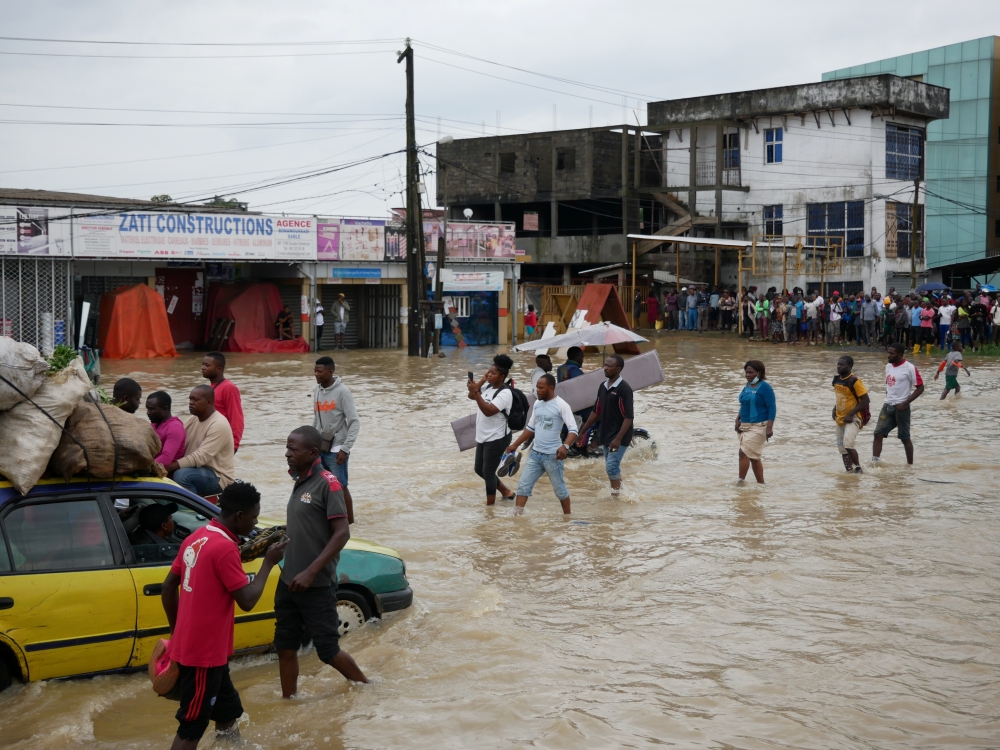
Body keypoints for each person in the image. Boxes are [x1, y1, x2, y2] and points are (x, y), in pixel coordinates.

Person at [160, 482, 288, 749]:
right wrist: (268, 562)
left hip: (207, 652)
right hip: (203, 656)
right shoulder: (225, 549)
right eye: (253, 517)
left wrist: (177, 631)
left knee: (228, 712)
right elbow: (248, 601)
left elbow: (168, 586)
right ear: (239, 516)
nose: (254, 525)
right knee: (191, 726)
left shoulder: (196, 537)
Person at [276, 427, 367, 698]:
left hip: (315, 584)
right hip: (287, 580)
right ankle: (288, 702)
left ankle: (366, 688)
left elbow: (342, 532)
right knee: (285, 647)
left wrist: (310, 572)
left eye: (294, 449)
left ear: (313, 453)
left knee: (327, 651)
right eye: (287, 447)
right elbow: (306, 523)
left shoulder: (328, 483)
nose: (287, 453)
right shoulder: (299, 479)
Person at [504, 374, 578, 515]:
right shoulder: (537, 404)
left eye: (541, 388)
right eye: (537, 387)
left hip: (553, 456)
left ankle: (567, 518)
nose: (537, 390)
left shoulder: (561, 405)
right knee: (523, 487)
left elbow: (573, 429)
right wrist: (514, 445)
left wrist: (565, 446)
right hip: (535, 455)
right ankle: (517, 518)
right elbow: (531, 428)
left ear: (551, 388)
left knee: (560, 490)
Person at [576, 356, 634, 497]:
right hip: (606, 433)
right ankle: (621, 493)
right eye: (605, 365)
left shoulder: (624, 389)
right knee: (611, 468)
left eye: (609, 366)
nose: (605, 368)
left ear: (618, 369)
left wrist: (618, 438)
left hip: (620, 435)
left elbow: (629, 417)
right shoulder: (603, 386)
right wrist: (582, 432)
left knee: (612, 467)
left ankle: (615, 499)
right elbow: (596, 411)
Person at [312, 356, 359, 523]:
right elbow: (316, 420)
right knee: (324, 487)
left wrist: (345, 449)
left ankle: (349, 523)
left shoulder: (343, 392)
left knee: (341, 487)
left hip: (337, 450)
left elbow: (354, 422)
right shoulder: (317, 390)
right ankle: (328, 521)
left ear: (331, 372)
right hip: (320, 449)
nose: (316, 374)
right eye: (315, 370)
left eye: (320, 371)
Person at [167, 385, 235, 497]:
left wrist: (170, 466)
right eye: (190, 399)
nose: (191, 403)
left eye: (195, 400)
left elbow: (200, 457)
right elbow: (176, 441)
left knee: (182, 475)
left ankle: (191, 513)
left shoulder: (219, 424)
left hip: (217, 476)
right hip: (196, 470)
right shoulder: (192, 420)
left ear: (209, 402)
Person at [468, 354, 517, 505]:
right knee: (479, 469)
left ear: (502, 376)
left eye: (493, 373)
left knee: (488, 472)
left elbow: (489, 410)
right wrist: (481, 381)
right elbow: (471, 395)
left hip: (497, 437)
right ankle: (506, 492)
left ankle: (490, 507)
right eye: (488, 372)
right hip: (483, 435)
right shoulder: (487, 386)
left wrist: (476, 391)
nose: (489, 375)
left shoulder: (505, 393)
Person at [872, 342, 925, 465]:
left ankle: (910, 466)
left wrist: (905, 403)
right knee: (878, 433)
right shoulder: (888, 367)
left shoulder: (910, 368)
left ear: (900, 354)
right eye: (888, 352)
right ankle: (874, 462)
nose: (888, 355)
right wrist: (888, 398)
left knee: (904, 437)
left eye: (891, 353)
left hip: (902, 407)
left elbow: (920, 388)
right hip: (887, 406)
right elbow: (890, 386)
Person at [733, 360, 775, 484]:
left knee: (743, 452)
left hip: (759, 426)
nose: (748, 375)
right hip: (745, 426)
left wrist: (769, 427)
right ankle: (761, 485)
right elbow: (744, 404)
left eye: (751, 372)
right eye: (746, 372)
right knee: (754, 457)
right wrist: (737, 418)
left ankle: (740, 482)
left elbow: (772, 407)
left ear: (759, 373)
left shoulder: (765, 387)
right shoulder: (747, 386)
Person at [831, 356, 869, 473]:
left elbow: (866, 400)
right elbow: (840, 397)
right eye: (838, 364)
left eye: (842, 365)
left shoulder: (854, 381)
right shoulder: (836, 380)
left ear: (850, 367)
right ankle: (849, 472)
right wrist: (834, 409)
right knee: (842, 449)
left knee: (848, 444)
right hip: (840, 418)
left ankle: (858, 468)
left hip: (853, 418)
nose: (839, 367)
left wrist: (851, 413)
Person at [202, 352, 244, 453]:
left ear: (219, 369)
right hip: (210, 439)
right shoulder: (209, 388)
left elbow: (237, 419)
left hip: (222, 442)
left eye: (207, 365)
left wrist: (234, 446)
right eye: (202, 364)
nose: (203, 367)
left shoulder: (229, 388)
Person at [147, 391, 187, 468]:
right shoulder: (154, 424)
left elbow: (166, 458)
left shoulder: (175, 427)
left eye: (151, 409)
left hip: (164, 474)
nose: (148, 413)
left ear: (165, 409)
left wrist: (142, 468)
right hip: (151, 467)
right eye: (147, 409)